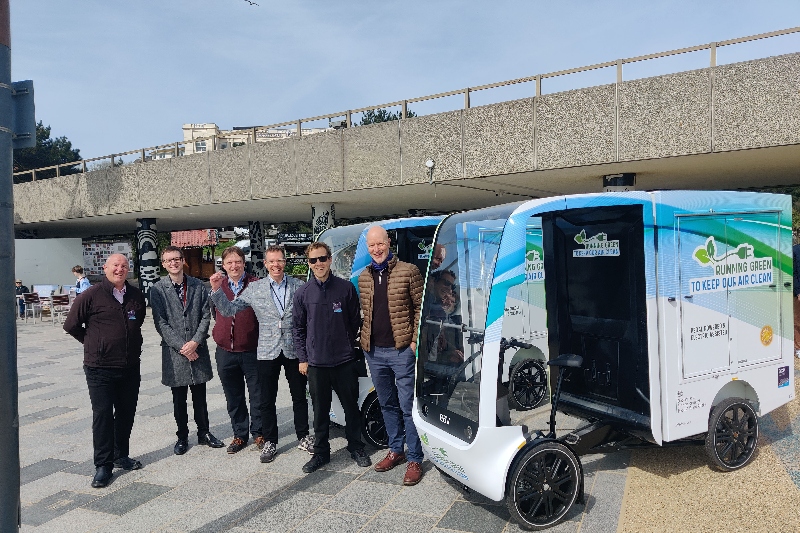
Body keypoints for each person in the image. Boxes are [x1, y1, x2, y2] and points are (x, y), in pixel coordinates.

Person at [210, 245, 312, 463]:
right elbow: (229, 310)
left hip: (294, 348)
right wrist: (217, 291)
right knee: (266, 399)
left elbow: (309, 316)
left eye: (280, 261)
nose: (276, 265)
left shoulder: (299, 286)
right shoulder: (256, 289)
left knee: (299, 397)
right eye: (271, 261)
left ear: (285, 262)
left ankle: (303, 436)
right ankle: (270, 441)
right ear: (265, 264)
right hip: (267, 349)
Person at [63, 254, 146, 488]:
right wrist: (93, 343)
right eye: (115, 266)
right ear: (105, 268)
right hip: (99, 368)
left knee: (126, 412)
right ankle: (103, 465)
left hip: (129, 366)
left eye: (124, 266)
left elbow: (136, 322)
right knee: (102, 416)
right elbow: (70, 325)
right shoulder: (91, 295)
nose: (120, 269)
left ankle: (121, 455)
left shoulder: (135, 295)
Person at [292, 241, 371, 473]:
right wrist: (303, 358)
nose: (319, 264)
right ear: (309, 263)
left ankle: (356, 447)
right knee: (320, 411)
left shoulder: (346, 289)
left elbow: (355, 320)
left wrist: (345, 342)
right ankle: (321, 453)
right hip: (316, 363)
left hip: (345, 361)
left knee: (351, 408)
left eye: (322, 258)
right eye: (313, 260)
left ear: (330, 260)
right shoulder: (302, 293)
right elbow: (297, 329)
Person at [358, 225, 425, 485]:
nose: (376, 249)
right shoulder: (364, 277)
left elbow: (420, 308)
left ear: (389, 242)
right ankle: (396, 450)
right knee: (387, 404)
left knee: (408, 406)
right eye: (372, 245)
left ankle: (415, 458)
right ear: (368, 247)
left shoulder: (409, 271)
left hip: (401, 351)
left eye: (380, 243)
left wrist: (414, 342)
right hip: (375, 352)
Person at [150, 246, 224, 455]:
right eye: (168, 260)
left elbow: (205, 316)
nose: (173, 263)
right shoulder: (157, 289)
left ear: (183, 261)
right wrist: (182, 347)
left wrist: (195, 342)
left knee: (200, 395)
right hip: (175, 353)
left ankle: (204, 432)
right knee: (178, 398)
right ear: (163, 264)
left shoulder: (198, 286)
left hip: (197, 348)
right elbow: (160, 323)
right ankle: (182, 436)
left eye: (176, 259)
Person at [209, 246, 264, 454]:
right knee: (234, 396)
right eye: (229, 262)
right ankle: (240, 435)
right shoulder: (218, 285)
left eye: (238, 261)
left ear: (244, 263)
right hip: (226, 352)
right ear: (223, 265)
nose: (234, 266)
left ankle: (259, 432)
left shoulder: (256, 285)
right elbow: (215, 314)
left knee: (257, 394)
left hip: (252, 350)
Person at [794, 243, 800, 358]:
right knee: (798, 320)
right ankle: (798, 347)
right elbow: (793, 273)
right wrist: (798, 291)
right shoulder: (795, 251)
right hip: (797, 293)